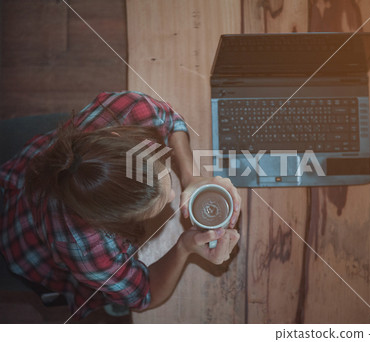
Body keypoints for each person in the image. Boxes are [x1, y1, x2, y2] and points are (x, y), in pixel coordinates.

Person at [0, 91, 241, 319]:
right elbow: (145, 294)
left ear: (119, 136)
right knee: (112, 297)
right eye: (153, 206)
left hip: (35, 163)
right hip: (26, 240)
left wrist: (190, 176)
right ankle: (111, 300)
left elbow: (170, 119)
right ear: (110, 224)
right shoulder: (86, 248)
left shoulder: (123, 110)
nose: (172, 197)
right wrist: (183, 248)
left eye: (162, 169)